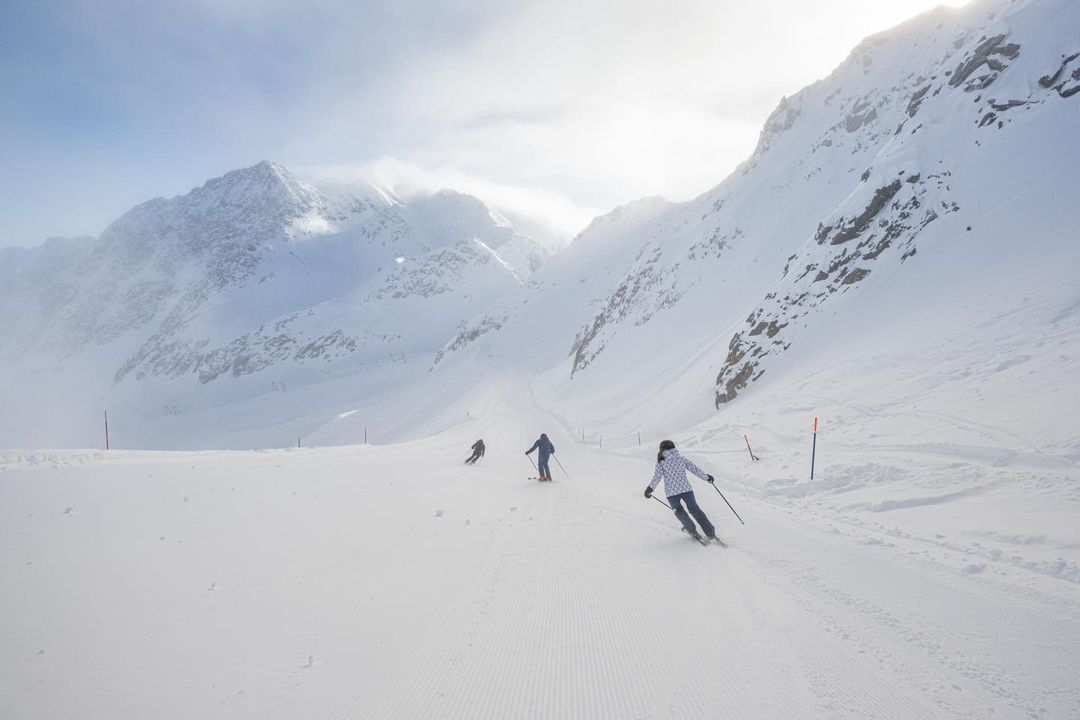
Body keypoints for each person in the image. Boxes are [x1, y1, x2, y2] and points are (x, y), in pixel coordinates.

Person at [644, 440, 718, 542]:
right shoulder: (681, 459)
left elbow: (657, 477)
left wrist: (650, 489)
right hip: (686, 490)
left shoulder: (661, 462)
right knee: (695, 510)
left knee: (679, 511)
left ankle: (691, 530)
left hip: (671, 493)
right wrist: (706, 477)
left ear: (662, 450)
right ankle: (710, 532)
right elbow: (695, 469)